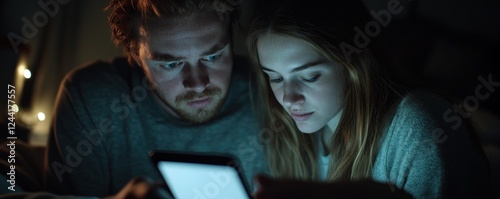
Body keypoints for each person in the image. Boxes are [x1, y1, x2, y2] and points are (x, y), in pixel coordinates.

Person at [246, 0, 492, 198]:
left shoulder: (418, 128)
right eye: (275, 78)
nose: (289, 99)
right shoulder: (291, 137)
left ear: (353, 65)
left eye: (309, 77)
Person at [34, 0, 269, 198]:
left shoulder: (271, 89)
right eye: (171, 64)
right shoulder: (90, 97)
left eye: (214, 56)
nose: (198, 83)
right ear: (136, 55)